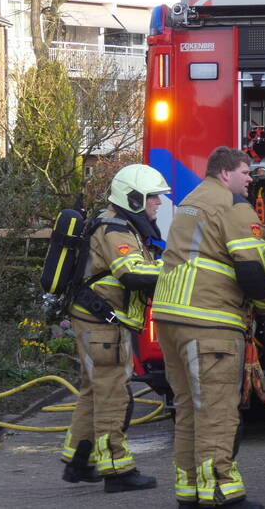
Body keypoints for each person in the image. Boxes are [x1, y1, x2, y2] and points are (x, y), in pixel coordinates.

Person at [153, 146, 265, 509]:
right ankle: (222, 492)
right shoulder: (233, 205)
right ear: (225, 174)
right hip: (210, 322)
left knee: (189, 409)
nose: (250, 179)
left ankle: (190, 492)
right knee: (217, 411)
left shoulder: (191, 200)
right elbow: (252, 268)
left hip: (171, 319)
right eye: (245, 172)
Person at [59, 163, 170, 493]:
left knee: (95, 391)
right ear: (134, 198)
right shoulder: (116, 229)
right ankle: (118, 470)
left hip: (95, 321)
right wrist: (179, 270)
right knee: (114, 396)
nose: (158, 204)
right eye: (153, 198)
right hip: (103, 326)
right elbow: (132, 272)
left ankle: (79, 461)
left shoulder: (123, 225)